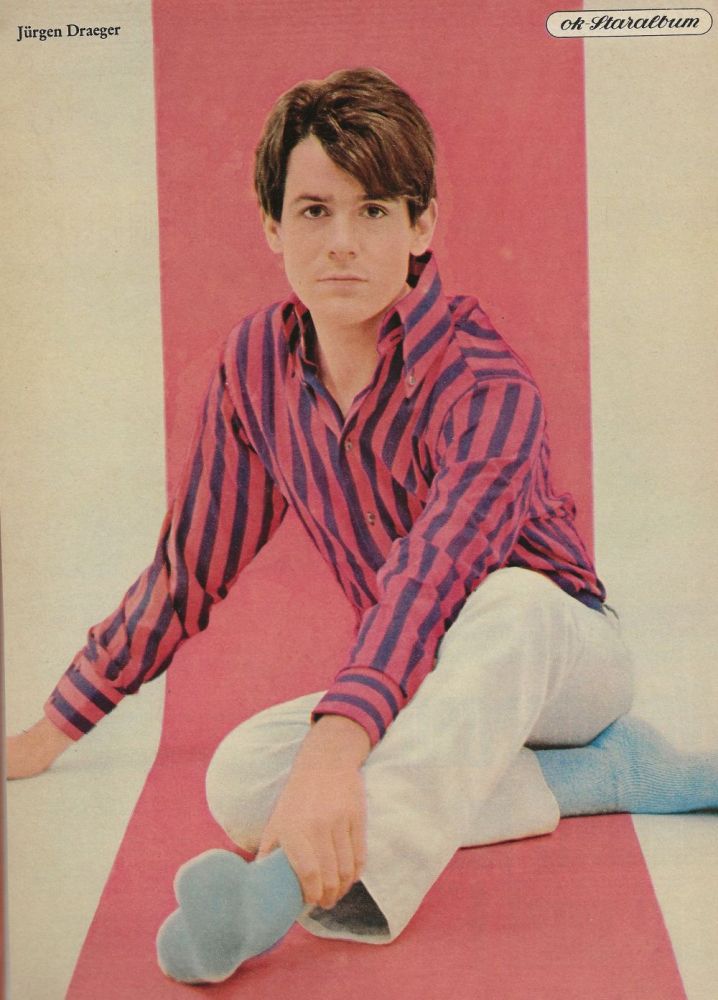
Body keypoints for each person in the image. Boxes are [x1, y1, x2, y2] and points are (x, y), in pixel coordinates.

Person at [7, 68, 717, 985]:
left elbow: (433, 576)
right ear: (272, 225)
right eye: (313, 210)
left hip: (561, 657)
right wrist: (50, 731)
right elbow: (188, 569)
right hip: (427, 682)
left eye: (374, 210)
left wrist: (338, 750)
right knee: (243, 775)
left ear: (422, 227)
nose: (342, 241)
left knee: (509, 600)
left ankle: (279, 897)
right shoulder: (253, 368)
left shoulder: (482, 375)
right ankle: (609, 777)